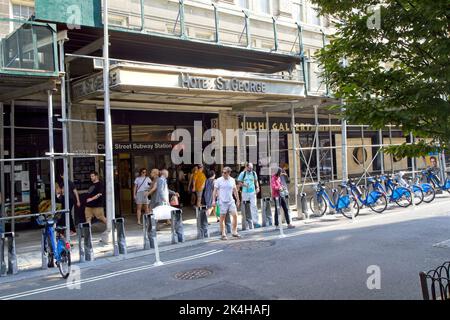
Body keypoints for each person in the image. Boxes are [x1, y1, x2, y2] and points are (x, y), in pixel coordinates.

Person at [212, 166, 241, 240]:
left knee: (235, 216)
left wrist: (238, 199)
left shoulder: (232, 180)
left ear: (229, 173)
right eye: (222, 172)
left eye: (225, 172)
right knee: (222, 218)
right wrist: (213, 201)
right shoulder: (218, 180)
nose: (223, 174)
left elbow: (235, 190)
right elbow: (214, 191)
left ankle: (234, 231)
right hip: (222, 201)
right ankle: (223, 234)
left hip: (230, 201)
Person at [237, 162, 261, 228]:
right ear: (246, 167)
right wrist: (244, 185)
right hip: (245, 193)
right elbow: (239, 182)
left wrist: (257, 187)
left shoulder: (254, 173)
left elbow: (256, 181)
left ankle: (255, 222)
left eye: (252, 168)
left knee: (254, 206)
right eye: (249, 168)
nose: (251, 169)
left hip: (252, 192)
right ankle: (246, 222)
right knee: (245, 208)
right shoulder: (243, 174)